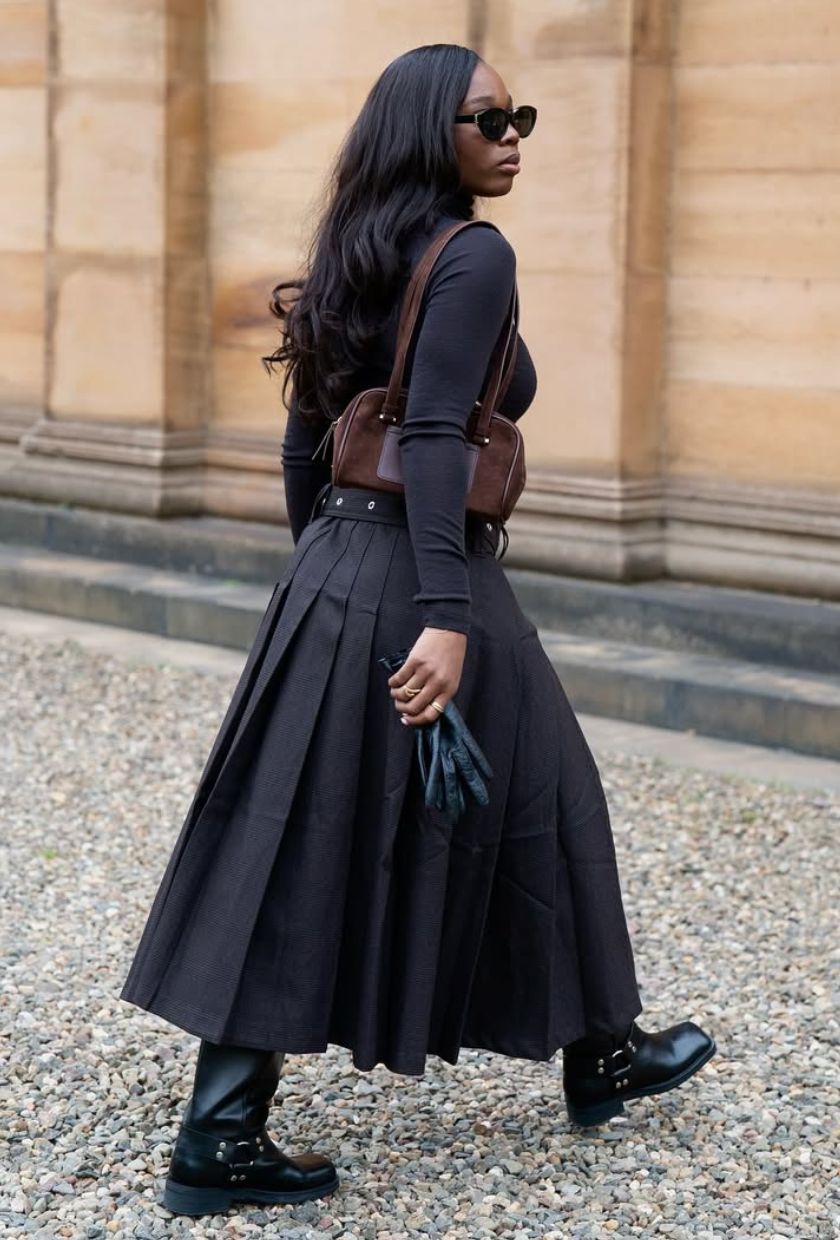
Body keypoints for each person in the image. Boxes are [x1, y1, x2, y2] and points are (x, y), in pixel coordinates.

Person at [119, 43, 715, 1218]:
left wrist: (321, 580)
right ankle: (586, 1053)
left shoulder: (355, 249)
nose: (514, 136)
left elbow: (306, 439)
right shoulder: (472, 254)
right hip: (426, 571)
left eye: (520, 116)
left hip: (338, 565)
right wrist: (440, 613)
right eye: (490, 118)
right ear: (425, 130)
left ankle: (238, 1124)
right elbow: (437, 435)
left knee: (308, 825)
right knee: (546, 792)